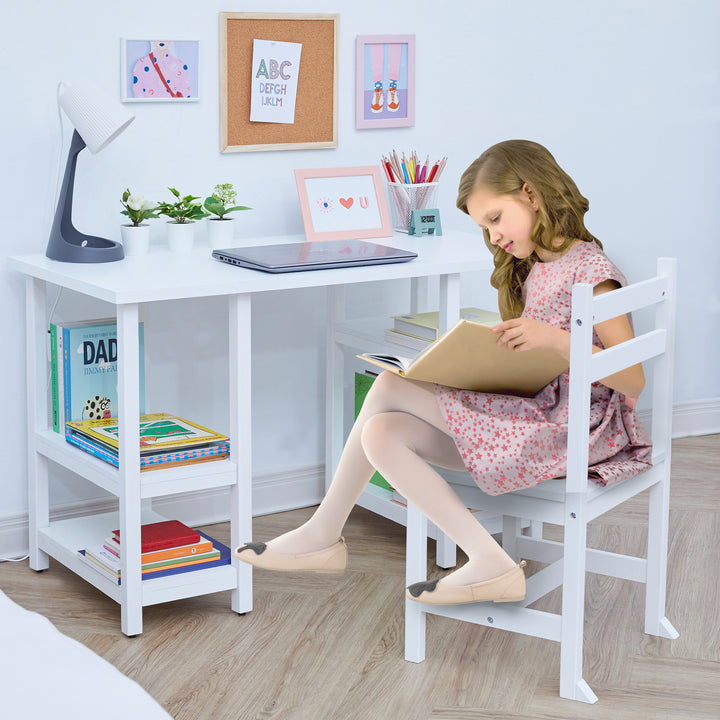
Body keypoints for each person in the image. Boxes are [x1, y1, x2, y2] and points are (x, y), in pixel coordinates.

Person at [235, 139, 652, 606]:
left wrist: (556, 342)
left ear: (532, 194)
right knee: (382, 433)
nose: (493, 236)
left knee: (391, 383)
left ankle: (323, 533)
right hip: (540, 413)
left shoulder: (592, 269)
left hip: (574, 432)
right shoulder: (539, 267)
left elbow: (632, 379)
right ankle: (486, 560)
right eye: (484, 227)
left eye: (495, 218)